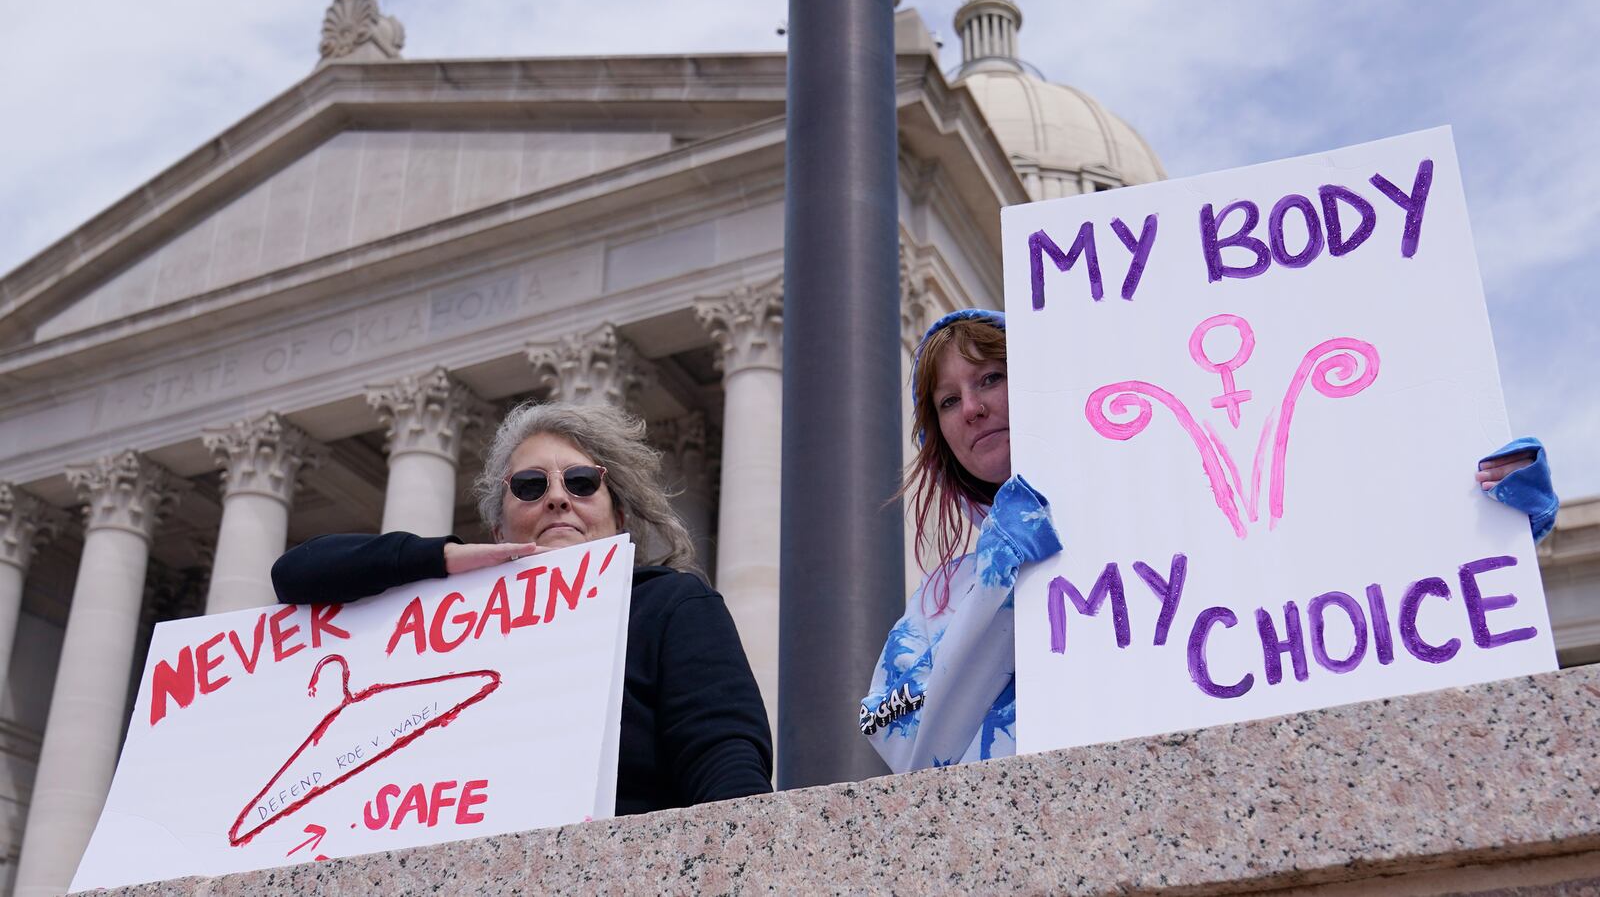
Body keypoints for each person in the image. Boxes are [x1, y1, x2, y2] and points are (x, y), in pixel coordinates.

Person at [860, 308, 1559, 774]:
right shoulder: (936, 601)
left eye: (991, 378)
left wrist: (1485, 508)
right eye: (949, 399)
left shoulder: (1172, 504)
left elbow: (1331, 560)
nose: (973, 406)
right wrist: (995, 582)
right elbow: (901, 737)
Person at [273, 401, 773, 814]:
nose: (557, 498)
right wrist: (439, 560)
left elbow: (724, 761)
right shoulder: (457, 621)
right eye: (530, 486)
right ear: (499, 530)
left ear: (619, 516)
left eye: (581, 482)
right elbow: (295, 573)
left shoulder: (668, 605)